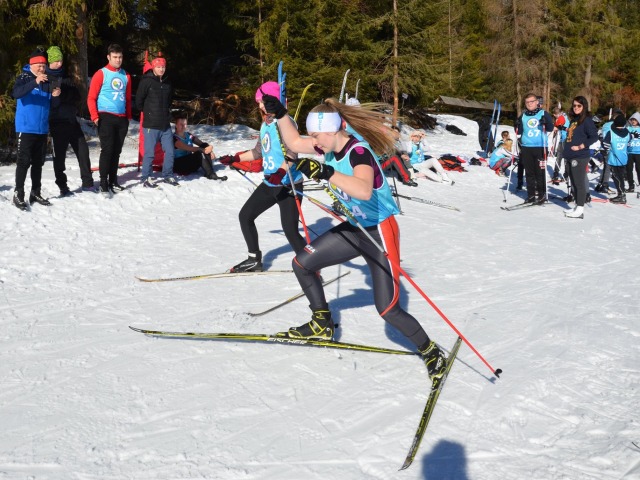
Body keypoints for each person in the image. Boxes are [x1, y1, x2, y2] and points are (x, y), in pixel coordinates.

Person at [261, 94, 447, 381]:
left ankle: (431, 350)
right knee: (303, 263)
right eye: (313, 137)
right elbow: (295, 143)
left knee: (387, 309)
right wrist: (282, 114)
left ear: (334, 130)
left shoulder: (358, 152)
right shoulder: (329, 144)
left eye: (317, 136)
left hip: (379, 231)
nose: (314, 142)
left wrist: (326, 172)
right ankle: (321, 322)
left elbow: (363, 190)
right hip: (355, 227)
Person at [228, 81, 306, 273]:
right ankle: (254, 259)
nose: (260, 106)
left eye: (263, 102)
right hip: (270, 182)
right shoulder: (265, 124)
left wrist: (280, 172)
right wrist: (234, 158)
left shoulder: (285, 123)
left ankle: (310, 265)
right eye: (259, 102)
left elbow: (292, 154)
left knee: (290, 230)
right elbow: (258, 152)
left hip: (288, 185)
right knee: (245, 216)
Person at [11, 48, 61, 210]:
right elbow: (16, 93)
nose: (42, 68)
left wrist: (55, 96)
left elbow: (53, 106)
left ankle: (35, 192)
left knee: (38, 163)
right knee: (23, 162)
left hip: (41, 128)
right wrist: (35, 82)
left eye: (43, 65)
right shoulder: (24, 78)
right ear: (32, 65)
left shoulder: (47, 80)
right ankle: (18, 194)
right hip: (26, 127)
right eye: (39, 65)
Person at [46, 46, 95, 195]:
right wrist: (59, 97)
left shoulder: (67, 77)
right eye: (55, 61)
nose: (59, 64)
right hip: (57, 123)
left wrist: (63, 95)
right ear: (49, 62)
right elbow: (49, 101)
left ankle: (88, 183)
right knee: (59, 158)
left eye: (60, 60)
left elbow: (77, 96)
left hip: (72, 121)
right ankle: (62, 186)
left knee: (83, 151)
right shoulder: (45, 79)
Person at [87, 43, 132, 195]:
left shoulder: (126, 75)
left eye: (120, 57)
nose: (118, 60)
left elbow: (127, 98)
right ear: (108, 57)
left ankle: (113, 180)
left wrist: (128, 116)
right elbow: (91, 97)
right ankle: (103, 182)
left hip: (121, 118)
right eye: (115, 57)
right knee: (107, 149)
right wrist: (95, 117)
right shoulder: (101, 73)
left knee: (117, 151)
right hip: (105, 116)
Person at [135, 55, 179, 188]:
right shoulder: (146, 81)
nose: (161, 69)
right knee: (149, 153)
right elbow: (138, 102)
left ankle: (168, 175)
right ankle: (146, 178)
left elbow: (169, 100)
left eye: (163, 67)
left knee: (170, 151)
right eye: (158, 67)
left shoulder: (167, 82)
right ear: (153, 67)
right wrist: (149, 113)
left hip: (165, 124)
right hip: (151, 124)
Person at [563, 96, 599, 219]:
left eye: (579, 105)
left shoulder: (587, 120)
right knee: (573, 182)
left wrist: (581, 146)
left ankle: (580, 208)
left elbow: (594, 136)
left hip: (579, 156)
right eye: (574, 105)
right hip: (570, 156)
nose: (576, 108)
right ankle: (577, 206)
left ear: (584, 106)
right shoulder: (574, 120)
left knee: (579, 183)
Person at [515, 93, 555, 204]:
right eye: (527, 102)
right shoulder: (523, 115)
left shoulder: (543, 113)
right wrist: (516, 125)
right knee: (529, 173)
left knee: (540, 172)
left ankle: (541, 195)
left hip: (540, 147)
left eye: (531, 101)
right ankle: (531, 195)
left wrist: (546, 123)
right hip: (527, 147)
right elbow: (519, 131)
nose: (529, 104)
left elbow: (551, 128)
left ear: (537, 102)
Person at [173, 113, 227, 180]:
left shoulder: (188, 135)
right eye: (181, 124)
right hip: (179, 165)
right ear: (176, 125)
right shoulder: (173, 138)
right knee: (200, 152)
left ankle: (210, 172)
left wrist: (210, 149)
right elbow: (189, 148)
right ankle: (210, 174)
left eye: (185, 124)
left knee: (204, 148)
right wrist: (203, 150)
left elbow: (202, 144)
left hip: (190, 163)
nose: (183, 126)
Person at [595, 108, 624, 194]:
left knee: (606, 167)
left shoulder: (606, 124)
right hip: (609, 148)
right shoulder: (614, 125)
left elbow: (600, 135)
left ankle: (600, 184)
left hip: (603, 148)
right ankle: (605, 185)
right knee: (608, 168)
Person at [603, 115, 631, 204]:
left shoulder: (611, 132)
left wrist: (606, 149)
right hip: (623, 158)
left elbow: (605, 145)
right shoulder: (627, 133)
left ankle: (621, 195)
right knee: (621, 177)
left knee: (616, 178)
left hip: (614, 159)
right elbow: (629, 143)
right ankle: (621, 194)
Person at [551, 106, 571, 185]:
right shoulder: (563, 116)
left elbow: (557, 126)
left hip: (565, 140)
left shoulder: (562, 117)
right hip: (563, 139)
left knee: (562, 157)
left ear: (556, 114)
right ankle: (557, 174)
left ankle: (565, 175)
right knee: (559, 157)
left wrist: (555, 126)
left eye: (555, 115)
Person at [625, 112, 640, 193]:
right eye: (632, 119)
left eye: (635, 120)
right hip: (629, 152)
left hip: (638, 153)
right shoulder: (628, 128)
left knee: (639, 170)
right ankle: (631, 186)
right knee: (629, 170)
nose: (633, 121)